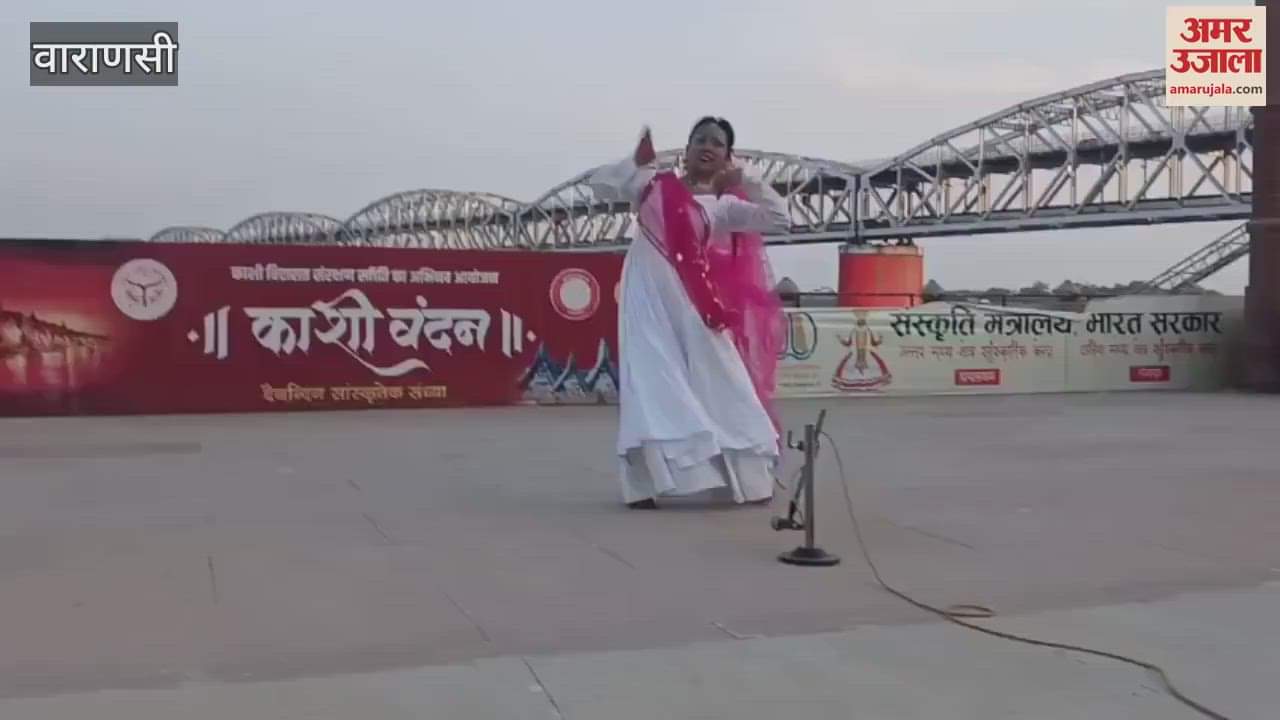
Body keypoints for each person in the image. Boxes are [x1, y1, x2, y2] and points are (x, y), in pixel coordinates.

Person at [586, 116, 789, 509]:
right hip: (646, 299)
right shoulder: (654, 185)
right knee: (651, 382)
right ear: (688, 149)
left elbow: (781, 219)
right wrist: (637, 161)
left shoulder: (726, 205)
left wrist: (745, 178)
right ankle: (644, 484)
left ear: (727, 156)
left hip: (696, 301)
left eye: (717, 143)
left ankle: (751, 481)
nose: (707, 147)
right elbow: (600, 185)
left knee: (724, 378)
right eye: (700, 140)